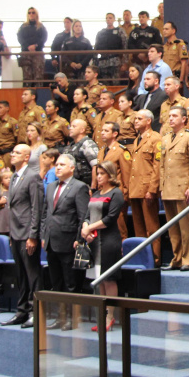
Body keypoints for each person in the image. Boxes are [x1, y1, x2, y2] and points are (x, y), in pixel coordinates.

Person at [41, 154, 89, 331]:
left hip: (69, 241)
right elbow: (46, 213)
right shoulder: (51, 186)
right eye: (57, 164)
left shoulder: (79, 187)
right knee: (57, 283)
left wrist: (79, 239)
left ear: (72, 168)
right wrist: (43, 235)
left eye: (62, 164)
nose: (58, 167)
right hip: (51, 241)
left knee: (71, 283)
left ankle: (72, 317)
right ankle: (61, 316)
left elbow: (82, 216)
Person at [1, 145, 44, 329]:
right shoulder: (14, 177)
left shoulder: (33, 176)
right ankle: (22, 311)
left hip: (27, 232)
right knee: (20, 274)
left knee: (32, 274)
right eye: (13, 152)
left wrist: (33, 235)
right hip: (15, 232)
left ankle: (36, 312)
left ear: (27, 157)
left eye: (17, 152)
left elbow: (37, 207)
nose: (13, 155)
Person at [81, 161, 125, 332]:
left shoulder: (116, 193)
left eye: (101, 174)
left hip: (109, 241)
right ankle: (103, 314)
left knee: (109, 278)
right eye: (97, 173)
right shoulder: (96, 193)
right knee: (99, 279)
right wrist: (85, 228)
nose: (98, 177)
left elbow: (110, 218)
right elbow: (87, 215)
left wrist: (90, 227)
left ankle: (110, 316)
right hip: (94, 241)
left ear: (110, 175)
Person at [160, 107, 189, 271]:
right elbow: (162, 166)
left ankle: (188, 259)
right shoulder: (165, 139)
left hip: (183, 188)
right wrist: (161, 186)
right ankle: (176, 258)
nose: (171, 119)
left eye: (175, 116)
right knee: (172, 227)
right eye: (169, 116)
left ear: (184, 119)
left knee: (185, 227)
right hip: (168, 188)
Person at [128, 110, 162, 265]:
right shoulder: (137, 140)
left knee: (151, 227)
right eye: (135, 119)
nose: (136, 121)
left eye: (139, 119)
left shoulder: (155, 138)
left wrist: (153, 189)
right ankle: (141, 257)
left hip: (147, 188)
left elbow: (158, 165)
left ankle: (155, 258)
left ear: (148, 121)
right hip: (135, 189)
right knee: (139, 228)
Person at [94, 121, 131, 237]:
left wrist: (125, 196)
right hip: (103, 195)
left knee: (120, 230)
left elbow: (127, 174)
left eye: (106, 131)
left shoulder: (121, 150)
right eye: (102, 130)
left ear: (115, 134)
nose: (102, 133)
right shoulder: (101, 151)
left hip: (116, 194)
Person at [17, 7, 48, 87]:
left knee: (38, 76)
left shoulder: (41, 27)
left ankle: (39, 96)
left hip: (38, 53)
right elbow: (20, 38)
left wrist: (36, 46)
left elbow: (44, 38)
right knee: (27, 77)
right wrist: (28, 46)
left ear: (36, 14)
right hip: (26, 53)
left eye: (33, 12)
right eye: (29, 12)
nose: (31, 14)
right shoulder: (23, 27)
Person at [64, 118, 99, 188]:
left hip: (85, 184)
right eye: (70, 126)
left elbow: (96, 166)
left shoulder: (88, 144)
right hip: (71, 184)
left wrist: (93, 187)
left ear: (82, 130)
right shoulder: (70, 146)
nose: (70, 128)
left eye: (74, 126)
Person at [95, 13, 127, 85]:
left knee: (116, 82)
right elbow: (96, 48)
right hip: (103, 61)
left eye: (110, 18)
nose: (108, 20)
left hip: (115, 61)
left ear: (114, 19)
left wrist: (124, 62)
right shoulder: (101, 33)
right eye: (107, 18)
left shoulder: (119, 31)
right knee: (104, 83)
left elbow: (125, 46)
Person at [160, 21, 189, 86]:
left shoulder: (180, 44)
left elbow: (184, 63)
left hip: (175, 78)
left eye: (166, 29)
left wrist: (181, 80)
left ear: (173, 31)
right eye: (163, 29)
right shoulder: (164, 47)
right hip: (165, 78)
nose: (164, 31)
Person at [0, 101, 19, 166]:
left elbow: (17, 138)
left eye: (0, 107)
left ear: (7, 108)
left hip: (7, 152)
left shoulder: (13, 122)